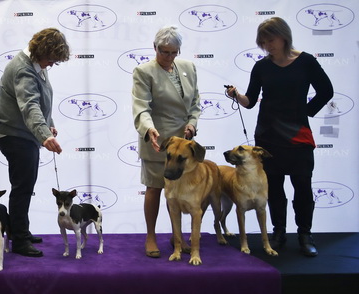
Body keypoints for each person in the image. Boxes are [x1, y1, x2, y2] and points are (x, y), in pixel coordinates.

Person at [226, 17, 333, 257]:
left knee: (303, 185)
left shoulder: (306, 62)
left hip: (298, 134)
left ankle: (305, 234)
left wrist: (306, 111)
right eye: (262, 42)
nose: (267, 46)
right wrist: (237, 96)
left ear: (284, 36)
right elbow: (250, 102)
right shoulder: (261, 66)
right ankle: (278, 232)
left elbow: (327, 90)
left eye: (270, 40)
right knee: (273, 187)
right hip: (268, 134)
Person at [0, 28, 70, 257]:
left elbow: (41, 99)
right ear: (41, 52)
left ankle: (21, 232)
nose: (52, 64)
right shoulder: (23, 70)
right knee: (22, 188)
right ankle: (19, 241)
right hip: (14, 136)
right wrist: (44, 134)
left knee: (24, 187)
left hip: (25, 134)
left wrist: (48, 124)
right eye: (51, 59)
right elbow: (29, 105)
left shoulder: (36, 64)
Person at [132, 25, 201, 258]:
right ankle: (150, 237)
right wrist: (149, 128)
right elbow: (141, 106)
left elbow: (195, 103)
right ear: (155, 47)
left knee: (180, 192)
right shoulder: (143, 71)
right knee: (154, 188)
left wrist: (192, 123)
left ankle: (177, 237)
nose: (168, 57)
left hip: (184, 146)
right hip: (157, 141)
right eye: (164, 51)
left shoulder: (188, 67)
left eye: (173, 52)